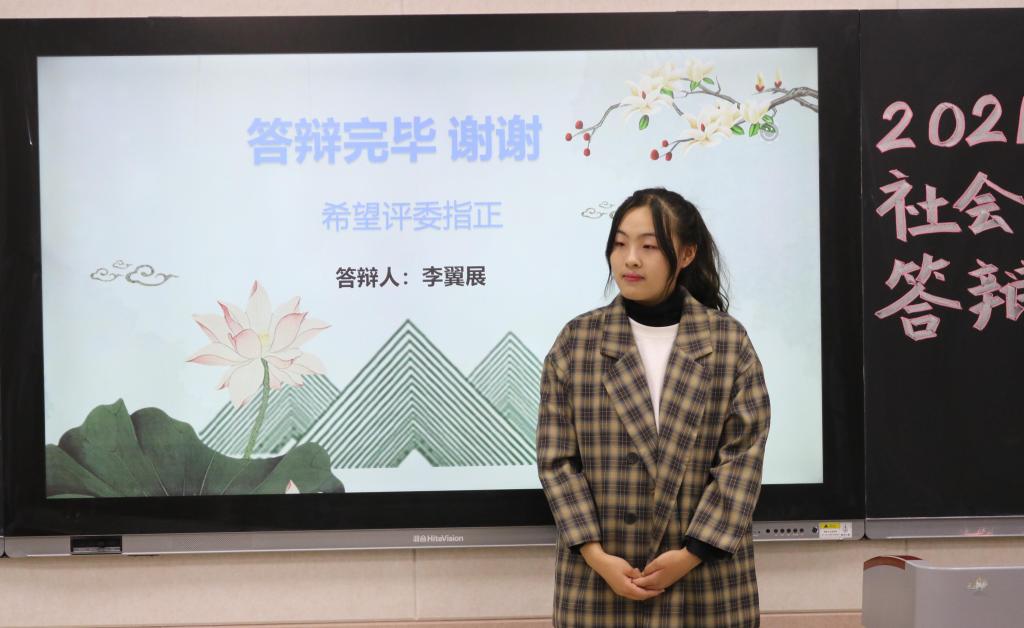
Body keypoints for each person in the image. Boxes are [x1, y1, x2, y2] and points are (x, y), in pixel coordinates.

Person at [536, 188, 771, 627]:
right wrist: (596, 555)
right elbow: (557, 462)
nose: (630, 259)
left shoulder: (727, 342)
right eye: (620, 244)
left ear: (686, 254)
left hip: (705, 579)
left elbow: (744, 457)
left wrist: (692, 552)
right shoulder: (577, 342)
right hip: (600, 579)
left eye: (649, 247)